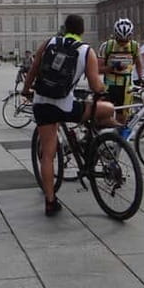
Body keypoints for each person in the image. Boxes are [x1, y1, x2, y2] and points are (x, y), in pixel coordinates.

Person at [22, 14, 117, 217]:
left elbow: (33, 69)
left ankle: (50, 202)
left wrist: (26, 90)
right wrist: (104, 89)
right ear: (82, 31)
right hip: (66, 107)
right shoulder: (86, 51)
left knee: (47, 155)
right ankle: (95, 143)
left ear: (65, 28)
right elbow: (95, 85)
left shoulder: (49, 43)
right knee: (107, 109)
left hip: (42, 104)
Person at [99, 18, 144, 130]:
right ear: (115, 36)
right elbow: (98, 69)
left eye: (126, 40)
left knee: (122, 118)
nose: (123, 43)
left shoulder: (134, 46)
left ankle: (118, 142)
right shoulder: (106, 46)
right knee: (104, 118)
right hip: (109, 86)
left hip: (126, 87)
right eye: (120, 40)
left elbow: (139, 64)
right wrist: (113, 67)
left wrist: (141, 78)